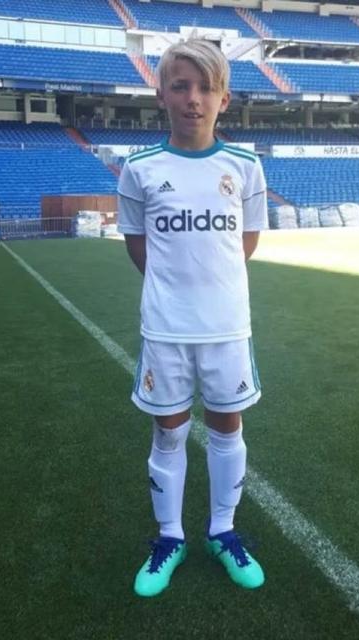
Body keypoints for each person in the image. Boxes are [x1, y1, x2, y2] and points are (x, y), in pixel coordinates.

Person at [117, 38, 268, 598]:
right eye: (180, 86)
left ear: (224, 98)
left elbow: (244, 243)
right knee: (169, 432)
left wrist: (211, 289)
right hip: (166, 329)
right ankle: (170, 538)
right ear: (161, 94)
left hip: (227, 328)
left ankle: (223, 531)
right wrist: (175, 292)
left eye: (206, 88)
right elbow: (139, 248)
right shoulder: (139, 169)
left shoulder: (245, 167)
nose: (193, 99)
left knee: (228, 428)